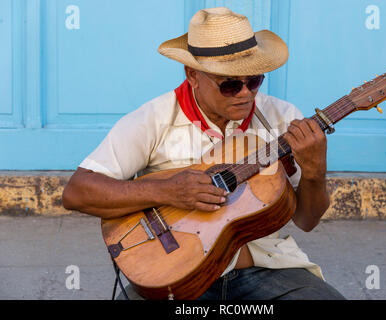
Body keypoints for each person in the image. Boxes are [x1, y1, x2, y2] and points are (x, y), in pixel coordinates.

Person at [62, 7, 345, 300]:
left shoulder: (284, 117)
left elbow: (307, 221)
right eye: (230, 85)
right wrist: (167, 191)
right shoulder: (153, 119)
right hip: (178, 272)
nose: (246, 93)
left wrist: (315, 172)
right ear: (193, 75)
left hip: (269, 268)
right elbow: (77, 192)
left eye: (255, 81)